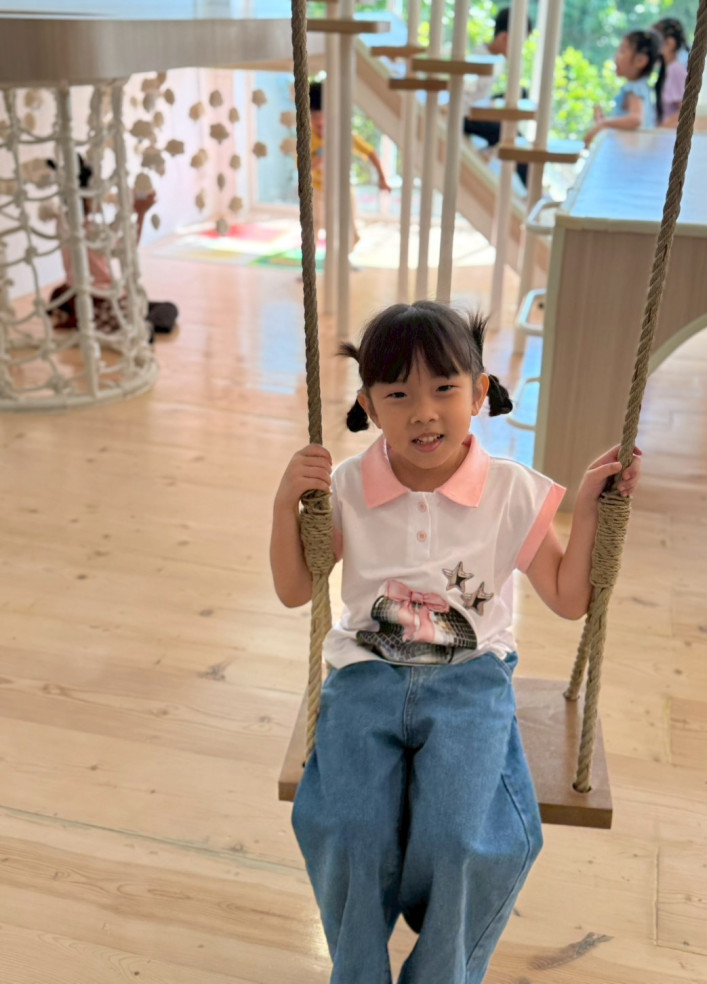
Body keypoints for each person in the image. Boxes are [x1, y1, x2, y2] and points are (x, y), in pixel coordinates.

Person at [270, 301, 642, 984]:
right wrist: (284, 504)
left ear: (478, 393)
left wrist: (591, 509)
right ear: (368, 406)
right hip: (366, 672)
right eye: (398, 394)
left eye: (444, 388)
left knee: (464, 839)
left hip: (470, 677)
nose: (423, 413)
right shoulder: (346, 487)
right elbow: (296, 590)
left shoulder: (511, 491)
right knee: (346, 830)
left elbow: (569, 598)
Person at [46, 155, 178, 339]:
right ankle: (130, 326)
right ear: (87, 198)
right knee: (166, 309)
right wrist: (140, 213)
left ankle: (98, 320)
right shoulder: (91, 231)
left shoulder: (64, 224)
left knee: (154, 307)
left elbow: (116, 234)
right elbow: (128, 246)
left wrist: (131, 210)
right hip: (102, 298)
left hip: (84, 295)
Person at [309, 80, 391, 248]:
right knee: (314, 225)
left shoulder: (342, 135)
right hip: (317, 190)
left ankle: (346, 253)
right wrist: (322, 155)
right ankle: (312, 257)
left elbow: (370, 152)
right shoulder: (308, 139)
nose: (320, 122)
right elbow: (304, 166)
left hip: (341, 189)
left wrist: (382, 178)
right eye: (315, 117)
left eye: (323, 116)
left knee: (349, 227)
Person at [462, 7, 532, 186]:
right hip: (467, 114)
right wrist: (492, 108)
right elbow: (465, 97)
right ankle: (530, 184)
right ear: (504, 38)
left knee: (521, 94)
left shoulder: (495, 58)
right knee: (508, 133)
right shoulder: (481, 60)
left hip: (479, 106)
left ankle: (494, 151)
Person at [584, 30, 660, 147]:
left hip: (630, 153)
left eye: (622, 51)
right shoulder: (641, 87)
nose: (616, 56)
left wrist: (604, 124)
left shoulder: (634, 88)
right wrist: (603, 120)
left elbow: (636, 119)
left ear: (640, 60)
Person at [653, 18, 689, 127]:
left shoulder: (676, 70)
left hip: (668, 134)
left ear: (670, 43)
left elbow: (684, 112)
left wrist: (658, 130)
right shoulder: (667, 70)